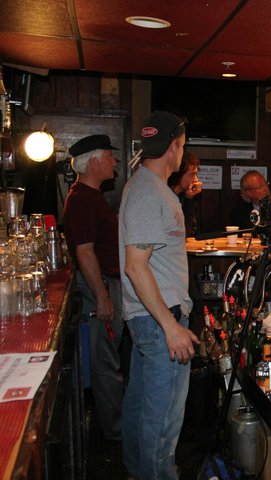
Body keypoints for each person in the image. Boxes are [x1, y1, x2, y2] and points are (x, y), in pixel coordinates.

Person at [119, 111, 200, 480]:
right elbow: (136, 266)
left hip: (148, 318)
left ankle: (141, 472)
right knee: (162, 420)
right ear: (174, 147)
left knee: (141, 409)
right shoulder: (148, 191)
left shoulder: (149, 186)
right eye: (181, 145)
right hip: (158, 319)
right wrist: (171, 326)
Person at [62, 134, 125, 441]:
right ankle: (116, 433)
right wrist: (102, 296)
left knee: (108, 359)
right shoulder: (82, 199)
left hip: (106, 284)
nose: (115, 162)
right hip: (99, 287)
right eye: (111, 156)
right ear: (95, 160)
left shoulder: (90, 196)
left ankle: (115, 425)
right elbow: (85, 252)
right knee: (104, 363)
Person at [233, 169, 271, 240]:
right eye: (260, 187)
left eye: (266, 184)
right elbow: (239, 237)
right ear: (249, 193)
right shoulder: (239, 211)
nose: (266, 189)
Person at [167, 152, 203, 237]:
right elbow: (183, 232)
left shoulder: (183, 197)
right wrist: (189, 199)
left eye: (196, 174)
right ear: (179, 175)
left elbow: (192, 230)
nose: (196, 179)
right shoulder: (168, 197)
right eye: (192, 175)